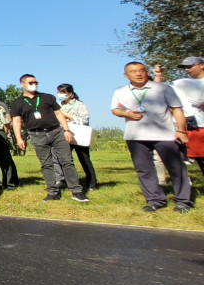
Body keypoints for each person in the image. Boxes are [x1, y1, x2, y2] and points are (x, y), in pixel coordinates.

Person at [111, 62, 193, 213]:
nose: (138, 73)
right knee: (144, 170)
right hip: (135, 136)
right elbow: (115, 109)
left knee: (176, 168)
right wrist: (126, 114)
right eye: (133, 71)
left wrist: (182, 131)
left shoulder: (163, 88)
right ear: (126, 75)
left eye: (141, 70)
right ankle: (155, 200)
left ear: (146, 72)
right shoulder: (120, 91)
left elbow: (176, 109)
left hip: (165, 135)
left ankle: (183, 201)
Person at [11, 74, 89, 202]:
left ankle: (76, 191)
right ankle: (52, 192)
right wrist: (19, 138)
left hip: (56, 132)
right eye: (31, 82)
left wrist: (66, 130)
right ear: (22, 84)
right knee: (46, 164)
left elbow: (58, 114)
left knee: (67, 161)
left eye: (36, 82)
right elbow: (16, 121)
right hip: (37, 135)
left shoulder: (47, 97)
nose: (34, 85)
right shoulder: (17, 102)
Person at [154, 57, 204, 177]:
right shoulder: (181, 83)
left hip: (200, 127)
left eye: (190, 66)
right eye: (184, 67)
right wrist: (158, 75)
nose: (187, 69)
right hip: (190, 126)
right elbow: (157, 90)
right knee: (192, 160)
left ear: (201, 65)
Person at [57, 84, 96, 192]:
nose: (60, 95)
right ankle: (66, 181)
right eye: (58, 92)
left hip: (79, 135)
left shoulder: (80, 105)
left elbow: (84, 120)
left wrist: (66, 115)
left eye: (62, 92)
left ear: (70, 94)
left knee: (84, 159)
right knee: (64, 159)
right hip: (64, 135)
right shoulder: (59, 105)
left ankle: (91, 183)